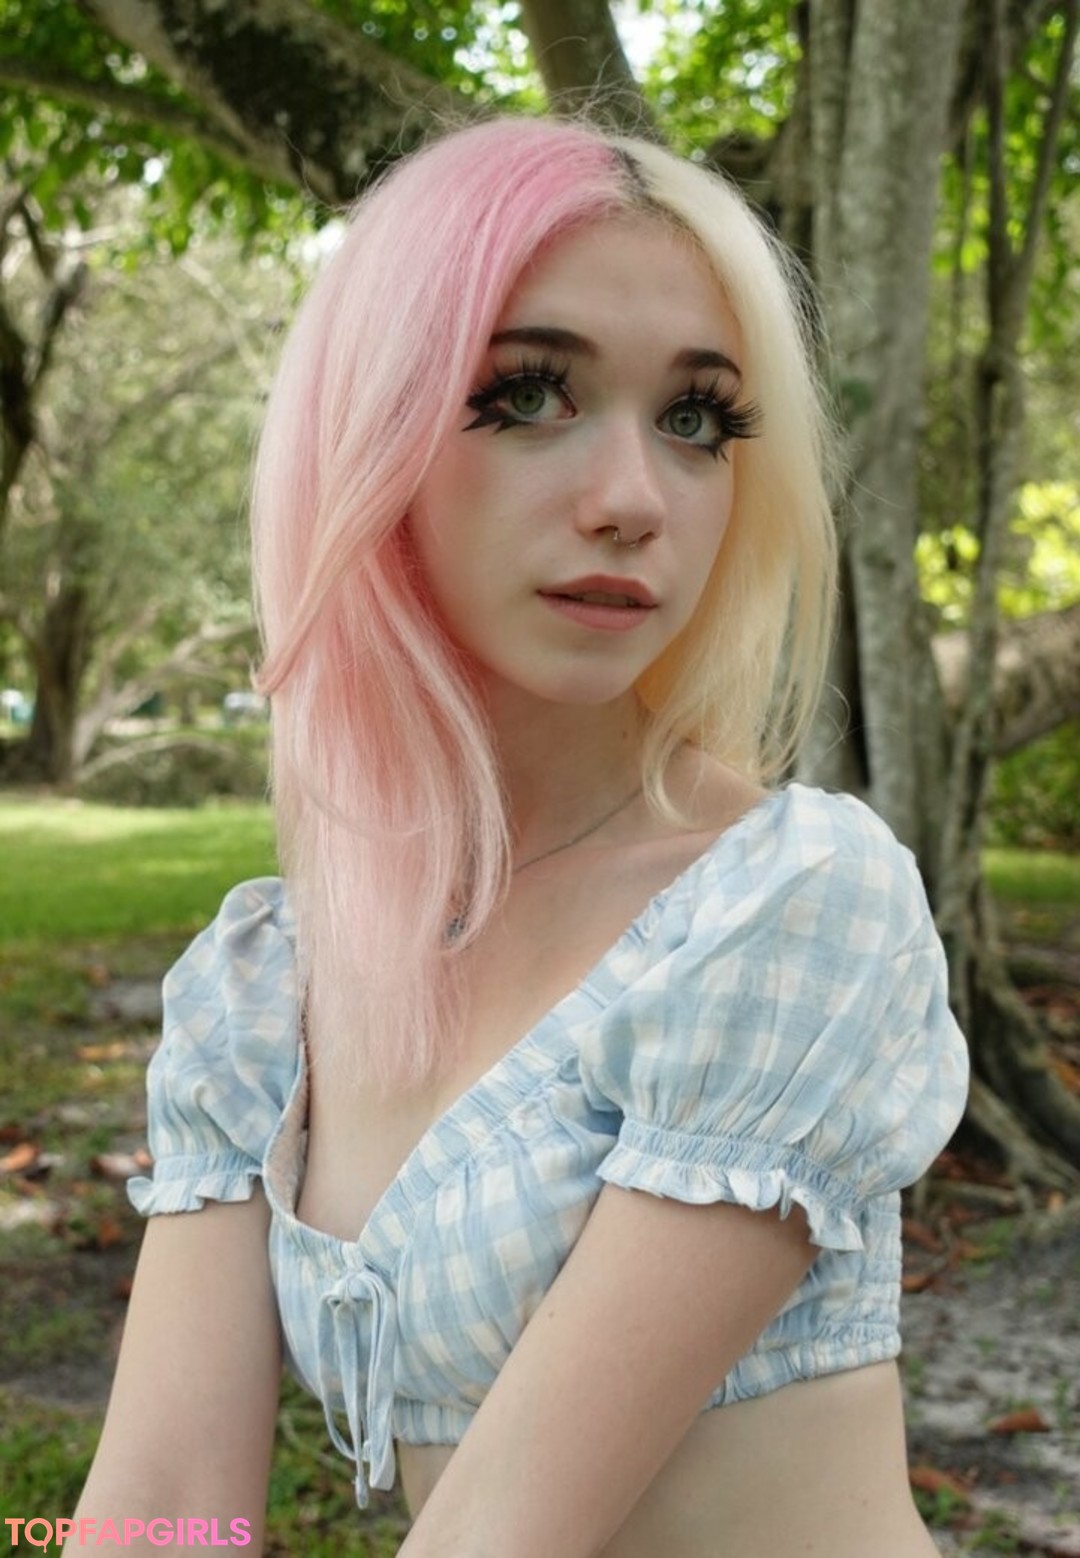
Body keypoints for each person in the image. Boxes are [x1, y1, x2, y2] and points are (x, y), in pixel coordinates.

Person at [69, 115, 969, 1557]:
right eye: (531, 393)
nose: (632, 501)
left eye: (697, 419)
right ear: (371, 434)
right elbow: (160, 1510)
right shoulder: (268, 986)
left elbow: (505, 1530)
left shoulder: (786, 908)